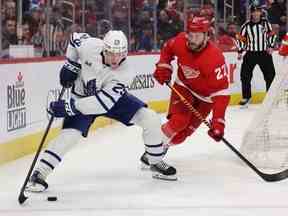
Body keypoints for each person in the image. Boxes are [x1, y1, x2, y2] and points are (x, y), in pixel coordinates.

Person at [27, 30, 177, 192]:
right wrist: (71, 64)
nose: (114, 59)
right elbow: (74, 38)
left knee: (150, 118)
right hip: (82, 97)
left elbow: (102, 104)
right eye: (110, 53)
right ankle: (39, 174)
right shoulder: (90, 45)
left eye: (119, 54)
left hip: (109, 101)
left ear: (125, 53)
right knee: (69, 136)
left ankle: (154, 161)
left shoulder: (125, 73)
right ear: (103, 48)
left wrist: (69, 107)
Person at [140, 16, 230, 166]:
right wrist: (163, 66)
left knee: (181, 137)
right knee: (179, 121)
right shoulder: (181, 41)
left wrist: (218, 122)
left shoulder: (214, 58)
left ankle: (162, 145)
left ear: (207, 36)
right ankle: (153, 150)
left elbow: (221, 94)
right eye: (190, 34)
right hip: (184, 87)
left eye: (197, 35)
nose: (192, 39)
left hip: (206, 99)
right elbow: (168, 49)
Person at [237, 4, 277, 108]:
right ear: (251, 13)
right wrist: (240, 51)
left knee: (270, 75)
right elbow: (241, 38)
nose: (255, 13)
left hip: (264, 53)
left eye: (257, 11)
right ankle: (246, 97)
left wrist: (271, 46)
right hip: (250, 54)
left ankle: (270, 96)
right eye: (253, 12)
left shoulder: (265, 23)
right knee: (245, 75)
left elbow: (272, 34)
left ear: (260, 12)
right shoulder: (245, 25)